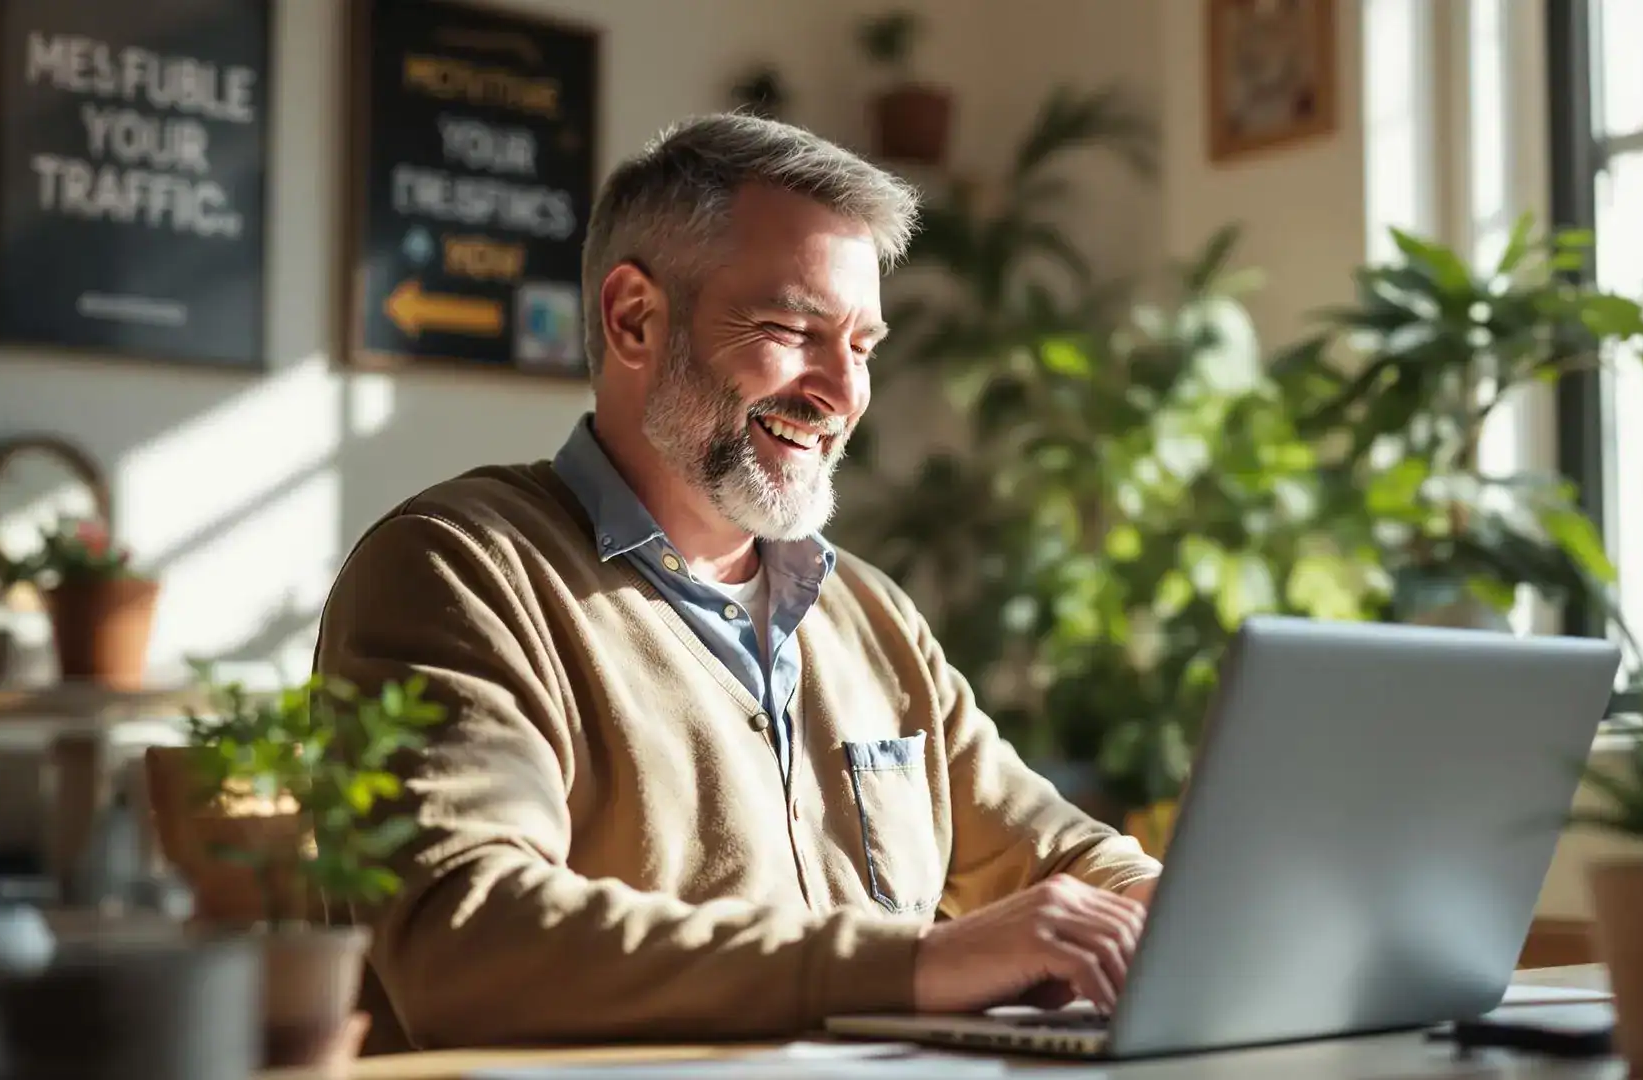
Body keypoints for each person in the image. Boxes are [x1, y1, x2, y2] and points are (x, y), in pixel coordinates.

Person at [314, 113, 1163, 1053]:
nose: (842, 394)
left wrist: (1170, 908)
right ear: (635, 318)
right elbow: (470, 939)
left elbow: (1059, 855)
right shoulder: (458, 569)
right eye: (793, 329)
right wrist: (917, 963)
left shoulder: (870, 615)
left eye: (864, 346)